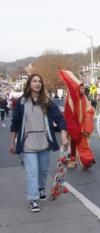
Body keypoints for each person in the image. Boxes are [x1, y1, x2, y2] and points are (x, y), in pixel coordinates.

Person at [9, 74, 68, 212]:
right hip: (28, 143)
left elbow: (59, 119)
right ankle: (33, 199)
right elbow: (15, 124)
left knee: (43, 170)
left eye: (40, 81)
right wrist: (12, 142)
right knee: (32, 172)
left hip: (44, 142)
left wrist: (64, 135)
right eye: (34, 81)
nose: (38, 83)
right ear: (29, 84)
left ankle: (41, 187)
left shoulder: (47, 101)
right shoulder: (21, 102)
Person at [59, 70, 95, 170]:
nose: (84, 89)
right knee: (72, 144)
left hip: (81, 126)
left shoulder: (84, 98)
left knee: (82, 144)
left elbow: (89, 110)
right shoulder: (72, 97)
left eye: (84, 88)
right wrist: (72, 126)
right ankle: (71, 160)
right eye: (82, 88)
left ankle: (86, 161)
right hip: (72, 126)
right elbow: (69, 112)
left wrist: (86, 124)